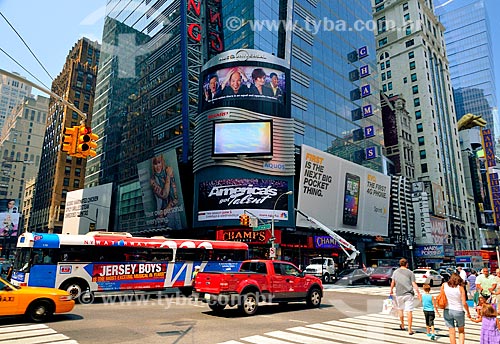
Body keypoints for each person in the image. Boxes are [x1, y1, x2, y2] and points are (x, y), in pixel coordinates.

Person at [390, 258, 421, 335]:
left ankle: (402, 325)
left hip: (399, 294)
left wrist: (391, 290)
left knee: (400, 309)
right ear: (406, 264)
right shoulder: (410, 272)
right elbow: (413, 283)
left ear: (400, 264)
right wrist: (418, 293)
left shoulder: (395, 272)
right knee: (409, 311)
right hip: (409, 294)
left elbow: (393, 282)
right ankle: (410, 329)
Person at [442, 272, 471, 344]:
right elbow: (464, 303)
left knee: (451, 332)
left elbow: (442, 297)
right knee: (461, 331)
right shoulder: (460, 288)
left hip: (447, 310)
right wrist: (468, 312)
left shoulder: (444, 285)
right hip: (458, 310)